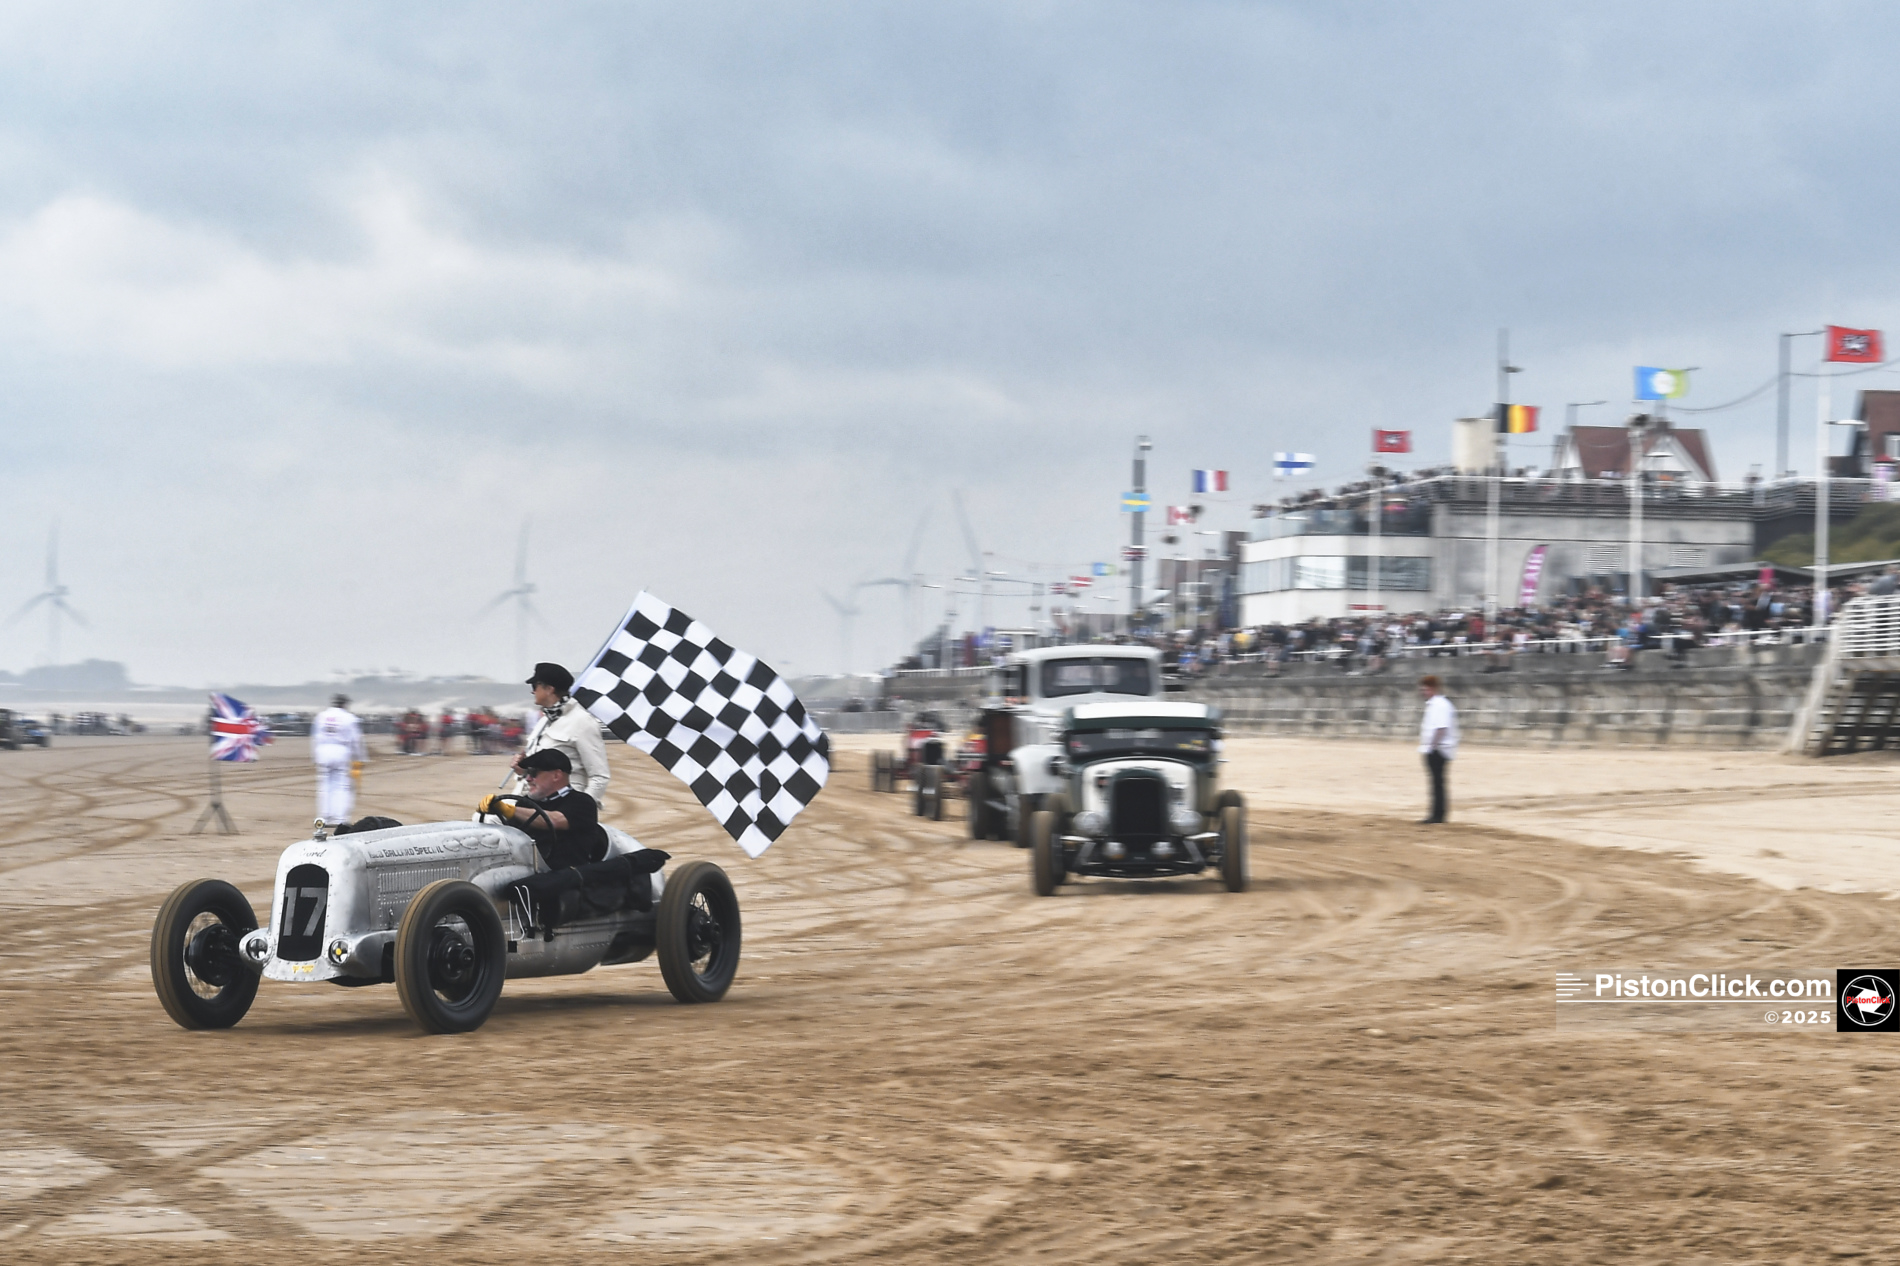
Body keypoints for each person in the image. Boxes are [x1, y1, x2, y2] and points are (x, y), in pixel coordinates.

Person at [515, 662, 610, 801]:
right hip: (531, 798)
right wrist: (522, 769)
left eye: (535, 686)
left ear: (549, 689)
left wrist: (580, 809)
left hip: (561, 806)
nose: (532, 691)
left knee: (490, 819)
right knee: (484, 817)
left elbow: (600, 776)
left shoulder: (582, 722)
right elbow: (539, 772)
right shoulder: (543, 722)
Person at [311, 694, 366, 827]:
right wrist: (360, 757)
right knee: (341, 786)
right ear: (345, 704)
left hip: (323, 750)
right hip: (340, 750)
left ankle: (324, 816)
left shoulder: (321, 716)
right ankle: (339, 818)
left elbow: (315, 736)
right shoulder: (349, 717)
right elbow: (356, 739)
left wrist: (315, 755)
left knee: (325, 785)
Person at [1416, 674, 1458, 825]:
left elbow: (1441, 728)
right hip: (1437, 748)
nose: (1423, 692)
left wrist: (1432, 747)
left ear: (1432, 689)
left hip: (1438, 749)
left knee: (1437, 783)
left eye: (1425, 689)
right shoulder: (1437, 704)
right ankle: (1437, 813)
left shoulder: (1440, 705)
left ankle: (1437, 814)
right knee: (1436, 783)